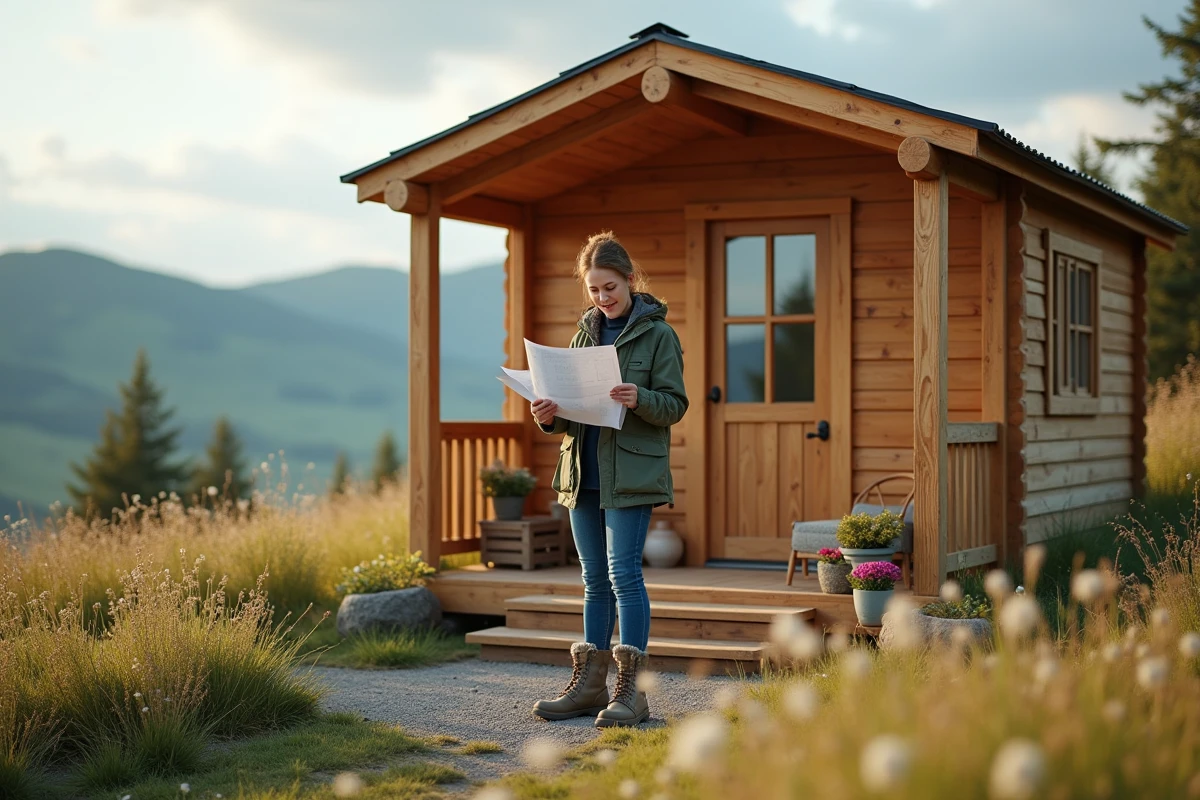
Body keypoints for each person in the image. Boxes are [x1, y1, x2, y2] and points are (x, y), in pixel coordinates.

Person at [529, 231, 688, 728]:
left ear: (630, 280)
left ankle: (631, 693)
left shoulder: (659, 335)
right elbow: (571, 411)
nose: (602, 297)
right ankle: (589, 686)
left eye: (609, 287)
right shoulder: (583, 333)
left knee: (624, 576)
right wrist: (547, 413)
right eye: (594, 289)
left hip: (633, 474)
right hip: (583, 471)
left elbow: (675, 405)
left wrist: (639, 398)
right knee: (593, 580)